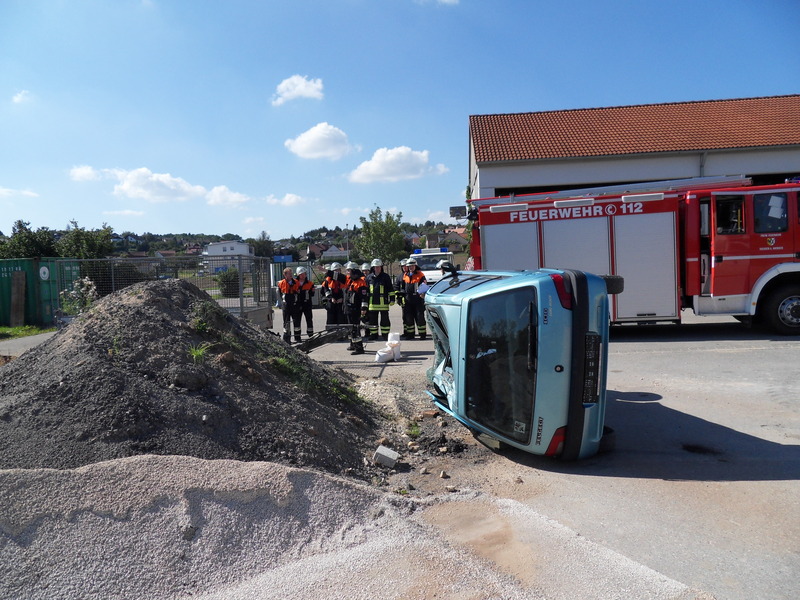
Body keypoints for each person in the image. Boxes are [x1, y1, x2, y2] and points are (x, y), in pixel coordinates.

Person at [398, 257, 428, 340]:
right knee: (409, 318)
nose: (411, 267)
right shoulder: (405, 275)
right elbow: (403, 288)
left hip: (418, 300)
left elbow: (425, 286)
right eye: (409, 266)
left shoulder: (420, 275)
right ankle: (410, 334)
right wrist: (400, 296)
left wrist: (422, 294)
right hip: (408, 300)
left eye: (412, 266)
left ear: (415, 266)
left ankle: (422, 334)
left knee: (420, 318)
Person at [365, 258, 394, 340]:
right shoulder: (369, 277)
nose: (377, 268)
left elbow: (390, 289)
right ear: (373, 268)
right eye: (375, 267)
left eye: (378, 267)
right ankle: (374, 335)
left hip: (383, 303)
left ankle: (385, 335)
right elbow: (366, 290)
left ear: (381, 267)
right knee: (372, 320)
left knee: (385, 320)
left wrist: (392, 299)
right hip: (372, 303)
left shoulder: (385, 277)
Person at [343, 262, 368, 354]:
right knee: (350, 328)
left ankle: (359, 348)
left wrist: (363, 310)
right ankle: (353, 344)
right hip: (349, 309)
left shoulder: (361, 283)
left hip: (355, 310)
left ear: (354, 271)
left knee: (355, 329)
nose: (347, 272)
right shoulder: (350, 281)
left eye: (349, 270)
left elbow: (364, 298)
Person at [277, 266, 301, 342]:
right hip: (286, 305)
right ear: (285, 275)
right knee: (286, 322)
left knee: (296, 321)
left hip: (294, 304)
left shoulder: (296, 282)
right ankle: (287, 339)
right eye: (289, 274)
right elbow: (280, 294)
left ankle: (297, 338)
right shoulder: (281, 283)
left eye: (291, 273)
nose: (291, 275)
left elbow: (299, 293)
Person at [321, 262, 346, 330]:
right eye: (335, 270)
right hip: (331, 303)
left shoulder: (344, 279)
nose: (337, 272)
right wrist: (331, 298)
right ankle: (330, 333)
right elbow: (325, 291)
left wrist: (342, 299)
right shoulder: (327, 280)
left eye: (338, 270)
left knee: (341, 318)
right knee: (331, 319)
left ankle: (341, 334)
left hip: (341, 303)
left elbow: (346, 292)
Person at [295, 266, 315, 339]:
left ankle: (311, 335)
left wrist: (310, 292)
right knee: (297, 320)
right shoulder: (294, 283)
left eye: (304, 274)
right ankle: (297, 337)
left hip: (307, 304)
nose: (303, 275)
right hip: (297, 305)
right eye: (302, 274)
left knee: (309, 319)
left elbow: (312, 294)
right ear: (298, 275)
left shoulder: (310, 283)